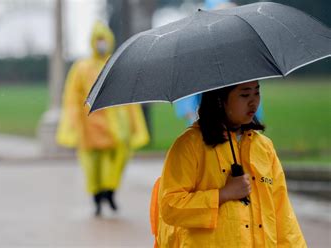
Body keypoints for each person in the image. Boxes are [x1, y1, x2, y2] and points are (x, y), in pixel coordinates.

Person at [155, 81, 306, 247]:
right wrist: (222, 194)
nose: (253, 102)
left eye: (256, 93)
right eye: (244, 95)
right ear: (220, 100)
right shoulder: (189, 145)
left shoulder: (264, 147)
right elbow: (170, 207)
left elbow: (282, 212)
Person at [57, 21, 150, 216]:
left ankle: (110, 192)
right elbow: (73, 97)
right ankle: (97, 198)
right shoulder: (82, 67)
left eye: (103, 39)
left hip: (115, 126)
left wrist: (133, 122)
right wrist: (74, 122)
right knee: (92, 166)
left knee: (116, 161)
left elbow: (128, 96)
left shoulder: (116, 64)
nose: (101, 43)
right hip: (89, 126)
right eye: (98, 40)